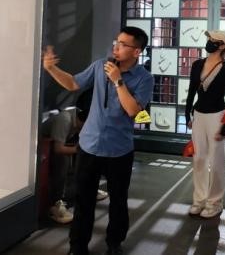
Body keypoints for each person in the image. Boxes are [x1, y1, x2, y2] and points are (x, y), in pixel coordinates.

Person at [43, 26, 155, 255]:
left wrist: (118, 81)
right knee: (83, 201)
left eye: (123, 44)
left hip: (119, 149)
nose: (116, 46)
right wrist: (51, 68)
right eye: (116, 42)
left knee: (118, 202)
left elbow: (133, 110)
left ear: (136, 52)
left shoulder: (145, 78)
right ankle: (77, 247)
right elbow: (73, 83)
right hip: (90, 146)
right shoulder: (100, 66)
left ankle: (114, 243)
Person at [184, 30, 225, 219]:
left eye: (214, 40)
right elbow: (191, 91)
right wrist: (187, 113)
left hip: (218, 116)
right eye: (209, 39)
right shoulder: (197, 64)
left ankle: (215, 202)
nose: (209, 42)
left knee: (217, 162)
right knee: (199, 159)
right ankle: (199, 200)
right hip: (199, 114)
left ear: (222, 46)